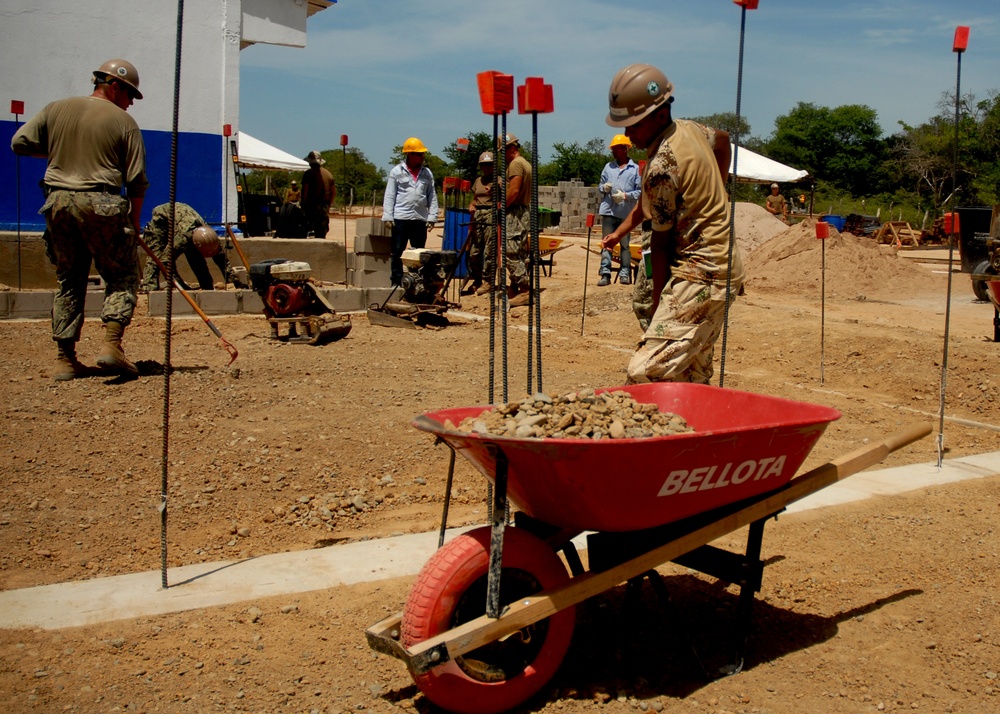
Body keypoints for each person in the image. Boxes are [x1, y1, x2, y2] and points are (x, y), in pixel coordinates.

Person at [602, 63, 744, 385]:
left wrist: (657, 313)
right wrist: (719, 191)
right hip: (723, 265)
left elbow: (661, 248)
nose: (628, 134)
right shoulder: (689, 129)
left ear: (658, 115)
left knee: (643, 372)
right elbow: (722, 140)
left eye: (633, 124)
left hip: (703, 272)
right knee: (692, 375)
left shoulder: (661, 168)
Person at [11, 58, 148, 380]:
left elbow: (20, 143)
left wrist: (59, 151)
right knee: (122, 275)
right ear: (114, 86)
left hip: (58, 202)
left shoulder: (55, 109)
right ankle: (112, 346)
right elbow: (137, 180)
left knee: (70, 278)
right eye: (129, 95)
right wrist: (135, 223)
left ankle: (65, 359)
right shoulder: (123, 122)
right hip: (101, 201)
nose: (130, 103)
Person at [381, 137, 439, 287]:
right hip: (401, 218)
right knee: (397, 252)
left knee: (419, 254)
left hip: (419, 219)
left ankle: (418, 282)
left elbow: (432, 195)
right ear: (409, 154)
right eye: (419, 154)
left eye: (422, 154)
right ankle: (396, 282)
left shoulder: (427, 173)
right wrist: (388, 216)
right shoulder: (396, 172)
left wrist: (432, 217)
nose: (422, 157)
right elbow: (390, 195)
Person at [140, 203, 228, 291]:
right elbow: (166, 261)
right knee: (155, 256)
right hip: (160, 223)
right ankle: (149, 288)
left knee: (196, 258)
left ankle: (207, 286)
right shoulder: (182, 239)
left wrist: (235, 281)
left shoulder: (210, 236)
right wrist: (181, 287)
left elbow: (222, 260)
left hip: (181, 222)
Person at [597, 134, 642, 287]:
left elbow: (639, 192)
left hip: (625, 213)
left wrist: (625, 196)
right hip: (608, 211)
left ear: (624, 149)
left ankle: (624, 273)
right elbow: (600, 187)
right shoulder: (608, 167)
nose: (614, 152)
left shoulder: (635, 169)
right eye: (613, 149)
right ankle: (605, 273)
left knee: (624, 245)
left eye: (616, 149)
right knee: (607, 243)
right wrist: (604, 188)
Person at [502, 134, 533, 307]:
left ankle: (524, 289)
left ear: (512, 148)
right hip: (523, 211)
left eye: (503, 151)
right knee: (520, 251)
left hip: (514, 211)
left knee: (510, 251)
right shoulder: (525, 163)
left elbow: (513, 191)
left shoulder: (515, 164)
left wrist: (501, 208)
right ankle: (514, 287)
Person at [466, 151, 494, 296]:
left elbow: (505, 200)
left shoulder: (499, 181)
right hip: (478, 215)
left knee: (489, 250)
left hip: (491, 214)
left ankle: (488, 281)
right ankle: (477, 279)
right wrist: (472, 205)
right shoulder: (478, 181)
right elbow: (475, 198)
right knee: (474, 251)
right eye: (484, 166)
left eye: (489, 165)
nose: (486, 168)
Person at [301, 151, 335, 238]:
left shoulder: (308, 173)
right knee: (321, 232)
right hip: (324, 207)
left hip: (311, 206)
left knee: (308, 231)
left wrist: (303, 205)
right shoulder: (329, 174)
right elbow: (333, 192)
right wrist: (328, 206)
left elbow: (305, 190)